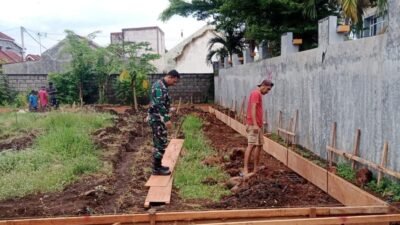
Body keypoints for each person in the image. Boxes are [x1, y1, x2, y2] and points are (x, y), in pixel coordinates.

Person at [148, 70, 180, 176]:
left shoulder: (161, 85)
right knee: (160, 142)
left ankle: (158, 166)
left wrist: (169, 109)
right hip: (158, 119)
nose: (174, 84)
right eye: (174, 82)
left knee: (160, 141)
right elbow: (158, 104)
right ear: (170, 77)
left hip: (157, 117)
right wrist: (166, 119)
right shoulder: (160, 87)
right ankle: (156, 169)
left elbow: (157, 102)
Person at [244, 79, 274, 175]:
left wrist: (260, 123)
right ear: (263, 86)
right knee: (251, 146)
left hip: (257, 125)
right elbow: (253, 109)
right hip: (253, 125)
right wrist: (255, 124)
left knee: (259, 145)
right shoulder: (256, 94)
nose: (268, 92)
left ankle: (255, 168)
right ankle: (245, 169)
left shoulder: (258, 94)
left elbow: (257, 110)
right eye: (268, 89)